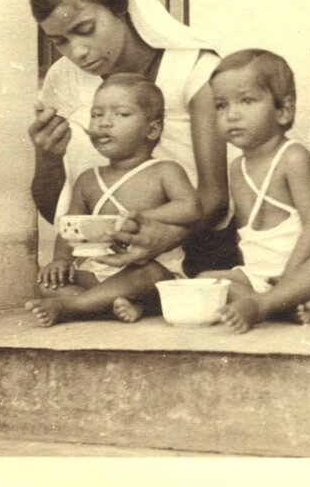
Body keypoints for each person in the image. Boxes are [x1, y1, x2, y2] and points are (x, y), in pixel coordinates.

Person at [27, 0, 235, 278]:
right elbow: (59, 212)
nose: (77, 52)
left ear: (120, 5)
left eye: (85, 29)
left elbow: (215, 197)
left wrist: (164, 238)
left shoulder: (193, 69)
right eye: (60, 41)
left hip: (201, 241)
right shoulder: (63, 79)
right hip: (108, 255)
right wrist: (49, 159)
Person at [197, 50, 310, 333]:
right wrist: (249, 279)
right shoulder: (236, 168)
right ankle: (275, 304)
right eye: (221, 105)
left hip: (305, 275)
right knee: (205, 279)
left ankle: (266, 304)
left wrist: (289, 279)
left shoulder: (292, 157)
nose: (232, 115)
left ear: (283, 110)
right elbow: (249, 241)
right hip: (260, 279)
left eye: (246, 101)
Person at [26, 74, 202, 326]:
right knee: (47, 284)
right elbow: (70, 227)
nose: (104, 123)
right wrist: (61, 261)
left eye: (121, 114)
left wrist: (139, 218)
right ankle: (115, 305)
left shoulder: (165, 170)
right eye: (97, 114)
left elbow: (191, 208)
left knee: (148, 275)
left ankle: (71, 306)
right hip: (100, 270)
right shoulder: (88, 179)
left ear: (152, 130)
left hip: (149, 269)